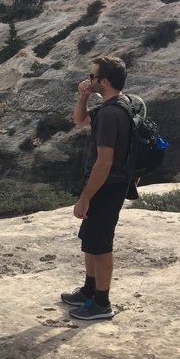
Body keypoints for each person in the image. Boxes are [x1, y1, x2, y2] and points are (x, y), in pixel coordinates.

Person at [61, 55, 132, 320]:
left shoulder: (111, 115)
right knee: (91, 240)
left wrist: (85, 198)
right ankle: (89, 291)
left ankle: (102, 303)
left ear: (104, 81)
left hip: (107, 185)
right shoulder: (116, 104)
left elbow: (104, 162)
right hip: (110, 183)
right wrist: (82, 97)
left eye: (92, 77)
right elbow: (79, 120)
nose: (88, 80)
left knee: (101, 244)